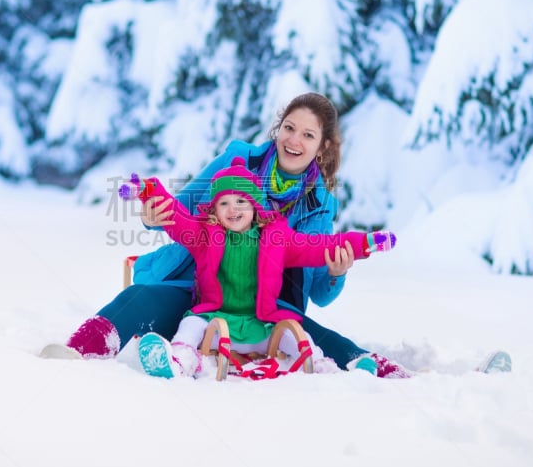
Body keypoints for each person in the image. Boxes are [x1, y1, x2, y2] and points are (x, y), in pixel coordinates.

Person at [49, 92, 411, 377]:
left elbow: (319, 290)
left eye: (308, 134)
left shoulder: (320, 204)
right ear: (278, 128)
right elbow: (182, 208)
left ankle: (370, 366)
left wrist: (336, 273)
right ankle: (84, 348)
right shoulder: (237, 161)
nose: (294, 140)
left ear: (323, 147)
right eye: (289, 127)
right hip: (199, 287)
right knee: (141, 297)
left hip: (266, 309)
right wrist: (153, 214)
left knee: (314, 335)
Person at [118, 157, 396, 378]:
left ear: (255, 208)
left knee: (299, 336)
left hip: (262, 323)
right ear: (214, 211)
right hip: (214, 318)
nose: (233, 208)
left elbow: (322, 245)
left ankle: (326, 369)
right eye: (223, 203)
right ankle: (180, 361)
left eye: (241, 201)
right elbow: (176, 216)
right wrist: (148, 190)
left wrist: (366, 243)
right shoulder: (205, 235)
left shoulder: (277, 239)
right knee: (189, 325)